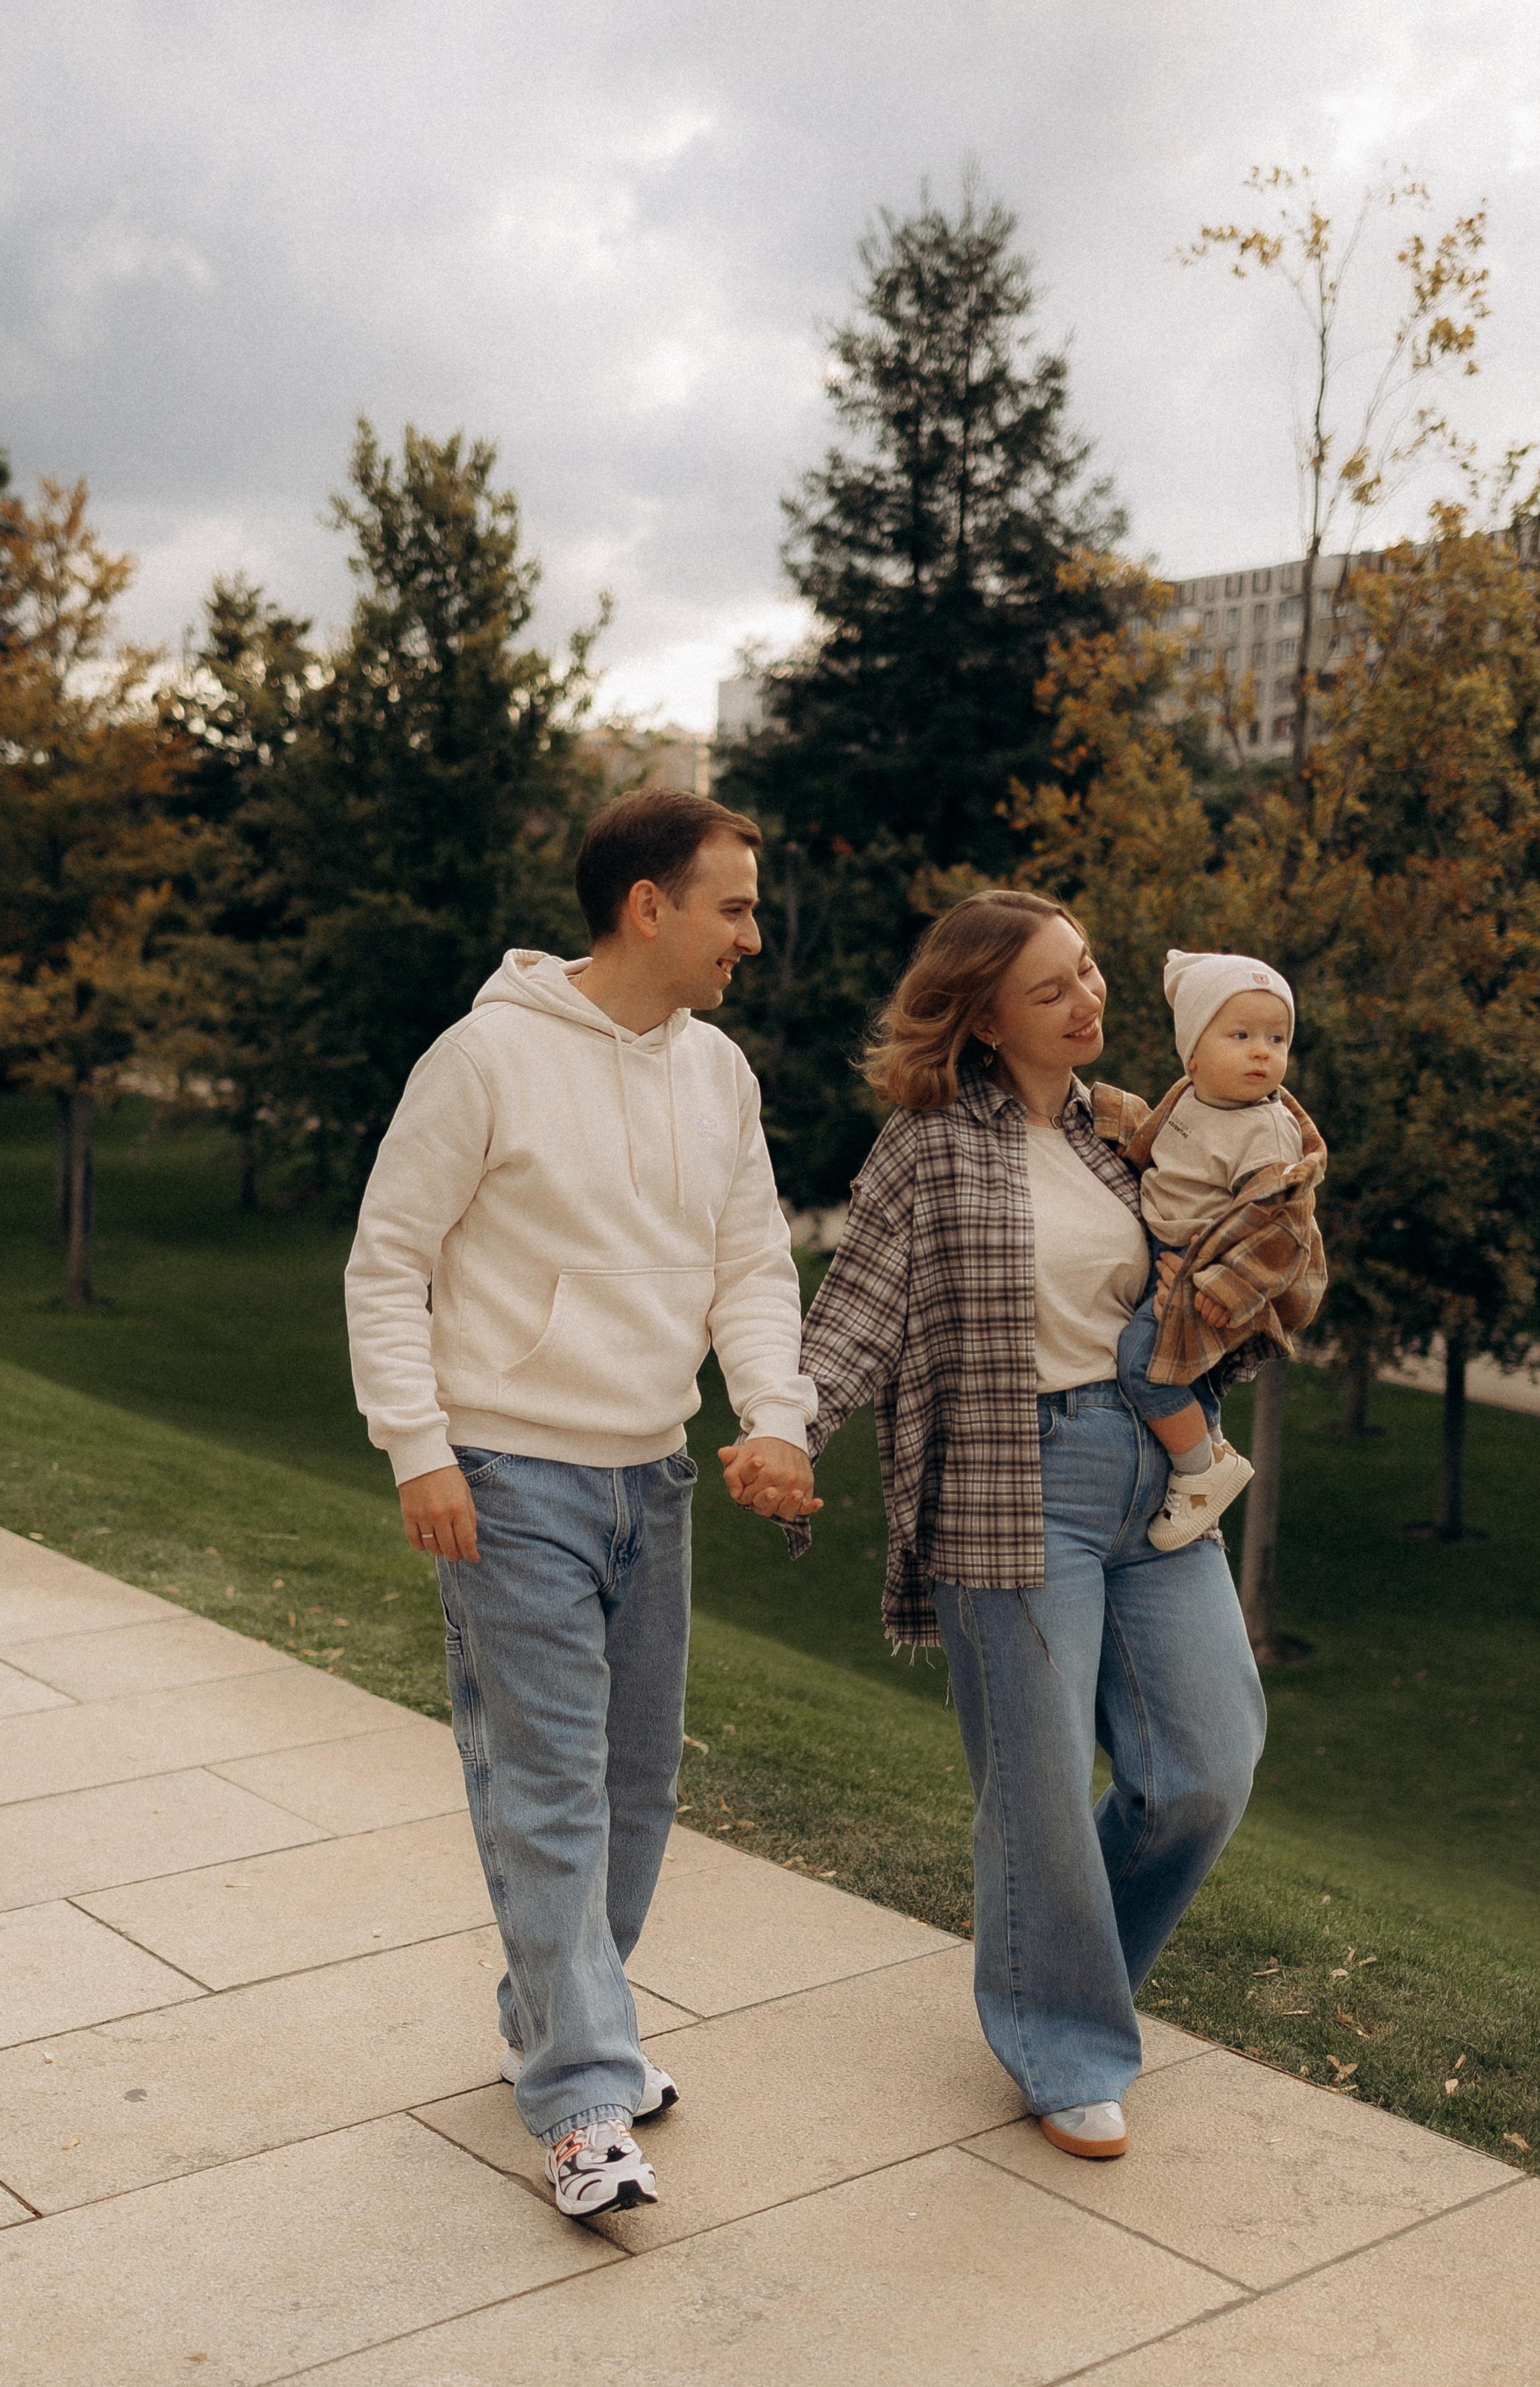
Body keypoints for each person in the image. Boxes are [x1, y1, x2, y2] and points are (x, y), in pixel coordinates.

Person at [728, 889, 1266, 2161]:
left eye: (1088, 972)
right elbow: (856, 1315)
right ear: (980, 1015)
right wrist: (785, 1433)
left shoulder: (1131, 1133)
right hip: (1012, 1483)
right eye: (1050, 991)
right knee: (1033, 1794)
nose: (1087, 1002)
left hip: (1158, 1474)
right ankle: (1063, 2042)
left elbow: (1211, 1273)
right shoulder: (927, 1146)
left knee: (1205, 1768)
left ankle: (1054, 1974)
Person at [345, 788, 818, 2222]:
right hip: (505, 1478)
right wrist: (417, 1446)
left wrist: (775, 1418)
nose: (751, 934)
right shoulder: (484, 1057)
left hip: (649, 1475)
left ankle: (560, 2024)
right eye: (732, 906)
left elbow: (752, 1265)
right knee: (545, 1786)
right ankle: (580, 2096)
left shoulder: (717, 1074)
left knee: (632, 1788)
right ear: (646, 906)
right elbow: (386, 1262)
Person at [1112, 947, 1327, 1554]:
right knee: (1186, 1373)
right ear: (1194, 1053)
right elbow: (1156, 1145)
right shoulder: (1189, 1097)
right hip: (1170, 1245)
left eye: (1277, 1038)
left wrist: (1224, 1286)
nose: (1264, 1051)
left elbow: (1282, 1229)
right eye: (1243, 1035)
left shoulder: (1266, 1129)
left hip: (1210, 1268)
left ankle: (1200, 1473)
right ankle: (1210, 1442)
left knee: (1142, 1363)